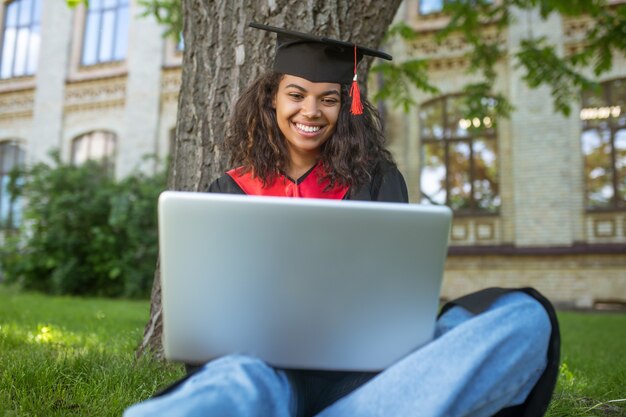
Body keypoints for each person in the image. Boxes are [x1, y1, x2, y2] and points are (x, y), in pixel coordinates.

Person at [124, 22, 559, 417]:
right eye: (296, 95)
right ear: (271, 99)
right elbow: (212, 314)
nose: (310, 111)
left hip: (366, 375)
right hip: (264, 371)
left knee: (524, 316)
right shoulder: (228, 192)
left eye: (328, 99)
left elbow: (397, 299)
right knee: (235, 384)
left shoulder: (377, 181)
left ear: (345, 105)